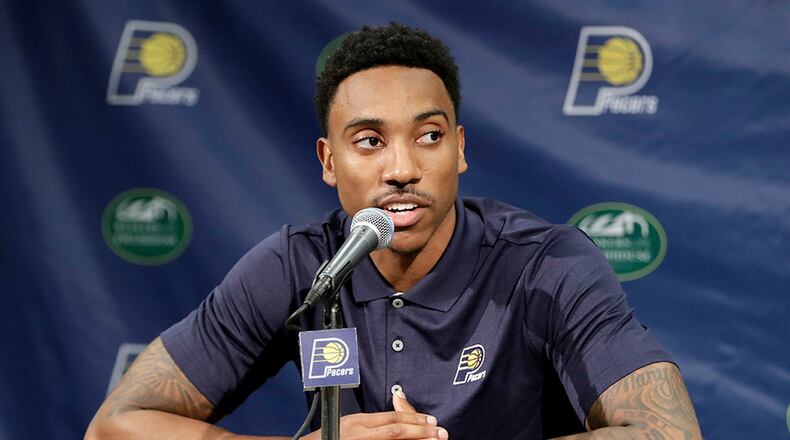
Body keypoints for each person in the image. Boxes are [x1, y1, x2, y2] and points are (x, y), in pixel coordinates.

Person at [85, 23, 702, 439]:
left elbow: (669, 431)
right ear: (329, 162)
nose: (402, 169)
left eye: (429, 136)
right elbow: (116, 424)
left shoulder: (546, 264)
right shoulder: (301, 266)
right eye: (370, 142)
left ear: (460, 150)